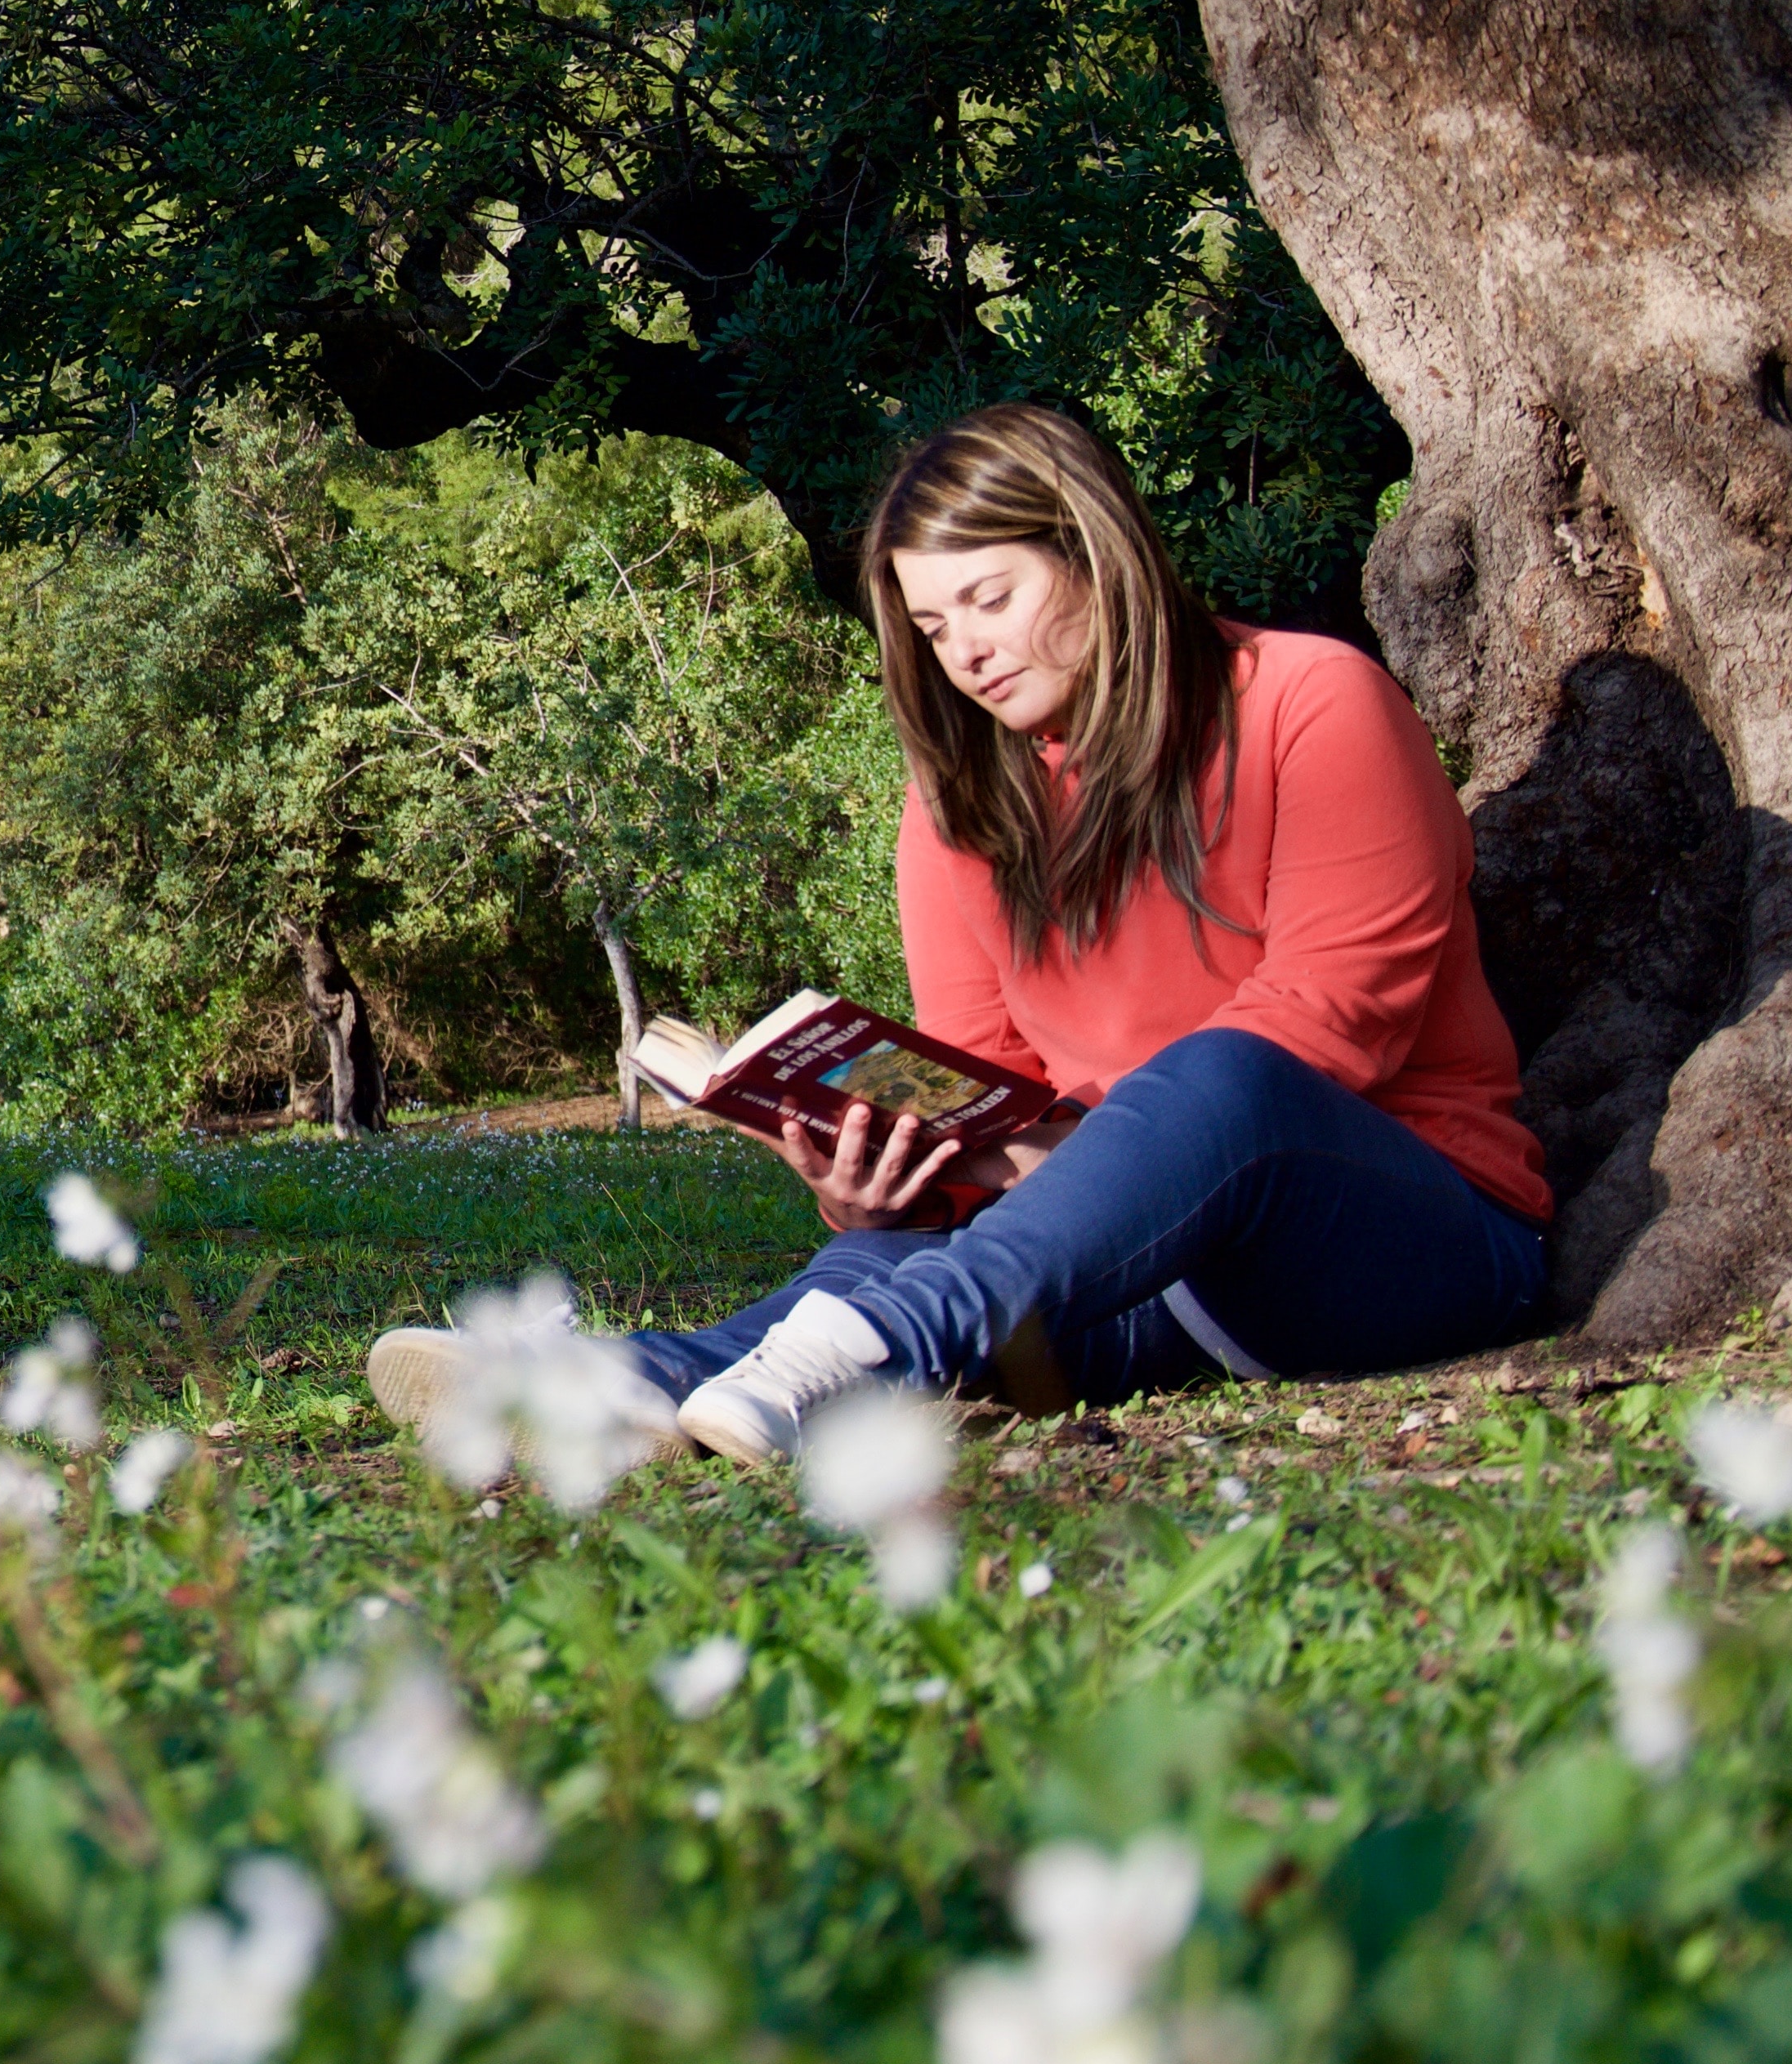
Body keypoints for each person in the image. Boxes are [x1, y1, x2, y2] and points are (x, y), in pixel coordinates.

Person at [369, 401, 1552, 1467]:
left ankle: (884, 1344)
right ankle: (633, 1384)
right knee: (893, 1252)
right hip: (1130, 1268)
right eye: (935, 627)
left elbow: (1331, 1025)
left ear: (1099, 558)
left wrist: (1061, 1161)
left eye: (991, 599)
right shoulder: (960, 811)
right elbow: (992, 1092)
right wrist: (872, 1184)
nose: (968, 650)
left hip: (1386, 1242)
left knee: (1227, 1074)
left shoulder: (1311, 700)